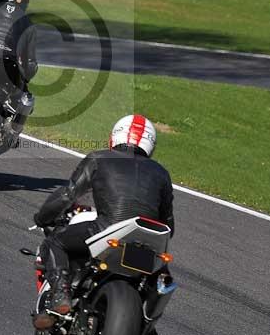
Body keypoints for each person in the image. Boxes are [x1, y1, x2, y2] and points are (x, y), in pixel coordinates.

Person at [31, 115, 175, 330]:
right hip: (149, 242)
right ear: (150, 145)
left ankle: (61, 295)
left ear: (113, 137)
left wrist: (42, 217)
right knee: (162, 280)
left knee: (55, 242)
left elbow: (67, 195)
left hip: (108, 230)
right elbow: (168, 224)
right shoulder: (162, 173)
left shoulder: (99, 158)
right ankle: (146, 324)